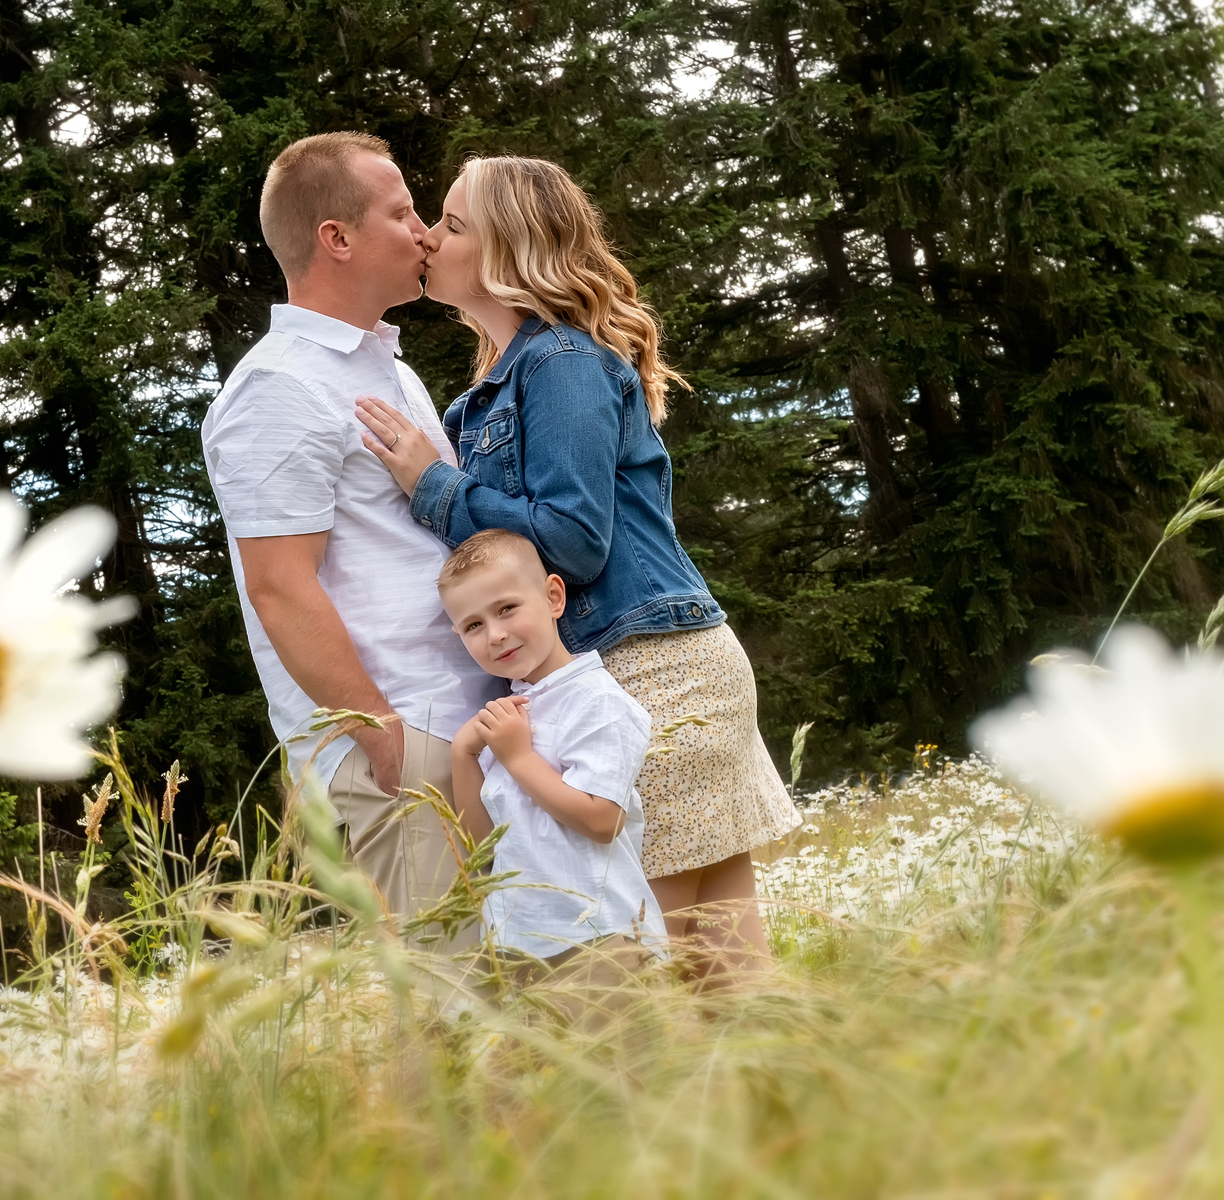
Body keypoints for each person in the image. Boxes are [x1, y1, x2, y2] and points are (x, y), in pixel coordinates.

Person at [354, 156, 801, 980]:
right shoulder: (485, 394)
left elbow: (573, 540)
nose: (429, 236)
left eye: (452, 223)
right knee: (724, 969)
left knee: (631, 965)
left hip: (648, 670)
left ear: (508, 250)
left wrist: (433, 485)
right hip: (638, 667)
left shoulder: (558, 360)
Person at [200, 132, 499, 950]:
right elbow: (278, 586)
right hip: (404, 732)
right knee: (458, 988)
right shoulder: (278, 387)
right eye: (402, 213)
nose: (424, 233)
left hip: (465, 712)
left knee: (530, 978)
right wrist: (380, 732)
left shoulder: (389, 370)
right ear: (336, 237)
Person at [440, 528, 666, 972]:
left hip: (600, 937)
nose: (495, 635)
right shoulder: (509, 712)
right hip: (517, 942)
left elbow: (602, 820)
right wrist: (463, 755)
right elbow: (484, 845)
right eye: (473, 625)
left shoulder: (596, 701)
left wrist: (519, 759)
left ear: (553, 597)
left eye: (506, 608)